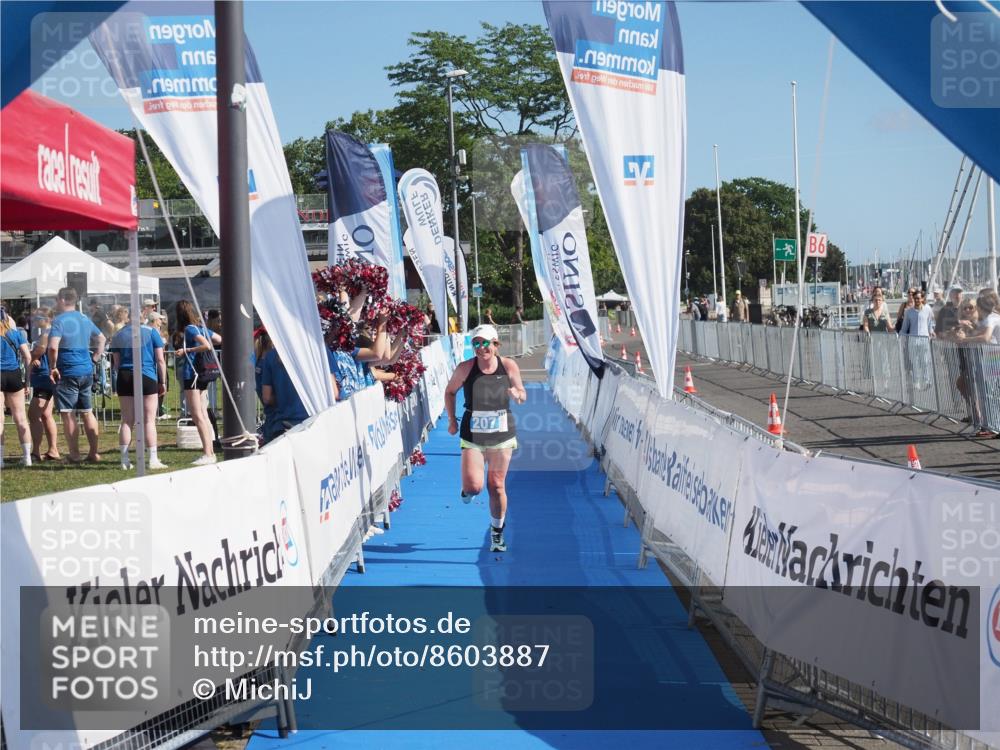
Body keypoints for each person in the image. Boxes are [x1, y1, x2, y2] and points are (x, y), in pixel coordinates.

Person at [444, 323, 527, 553]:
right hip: (473, 435)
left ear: (495, 345)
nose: (481, 348)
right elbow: (449, 392)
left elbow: (522, 394)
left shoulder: (508, 365)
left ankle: (497, 533)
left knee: (496, 485)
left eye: (485, 343)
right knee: (474, 487)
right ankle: (467, 491)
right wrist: (452, 420)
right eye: (476, 344)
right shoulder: (465, 368)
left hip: (501, 434)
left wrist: (516, 394)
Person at [47, 287, 105, 463]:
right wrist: (94, 359)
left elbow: (52, 347)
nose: (56, 303)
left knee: (68, 413)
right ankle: (94, 453)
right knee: (88, 412)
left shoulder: (59, 321)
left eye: (57, 299)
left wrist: (52, 367)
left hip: (67, 371)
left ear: (63, 300)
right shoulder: (84, 318)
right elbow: (101, 339)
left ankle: (74, 454)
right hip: (86, 370)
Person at [111, 311, 168, 470]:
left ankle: (124, 460)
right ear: (143, 319)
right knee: (149, 420)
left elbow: (116, 363)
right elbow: (161, 360)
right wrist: (162, 381)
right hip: (147, 375)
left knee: (127, 420)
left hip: (125, 375)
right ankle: (153, 459)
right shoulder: (152, 332)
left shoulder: (118, 334)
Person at [260, 341, 339, 443]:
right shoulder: (319, 349)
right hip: (316, 422)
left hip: (285, 426)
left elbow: (266, 397)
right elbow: (334, 393)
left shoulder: (271, 356)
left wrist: (282, 397)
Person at [174, 299, 222, 465]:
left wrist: (187, 350)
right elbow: (218, 339)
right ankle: (210, 450)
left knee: (197, 415)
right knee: (202, 412)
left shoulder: (189, 329)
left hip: (192, 374)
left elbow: (207, 345)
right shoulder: (201, 328)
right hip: (201, 374)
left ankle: (208, 453)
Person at [1, 307, 33, 467]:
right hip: (14, 375)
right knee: (21, 418)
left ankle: (0, 460)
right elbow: (27, 357)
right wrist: (27, 380)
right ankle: (27, 457)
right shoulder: (16, 334)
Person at [27, 307, 60, 463]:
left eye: (37, 317)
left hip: (44, 379)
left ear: (45, 318)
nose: (34, 321)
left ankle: (35, 452)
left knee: (33, 415)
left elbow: (39, 351)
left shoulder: (47, 333)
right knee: (46, 416)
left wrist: (32, 356)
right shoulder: (48, 332)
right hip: (45, 378)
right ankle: (53, 450)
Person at [901, 289, 935, 391]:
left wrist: (931, 331)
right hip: (913, 339)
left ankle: (927, 380)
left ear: (923, 299)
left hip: (924, 339)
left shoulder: (928, 309)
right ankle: (916, 382)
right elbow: (904, 327)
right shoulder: (908, 312)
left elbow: (930, 323)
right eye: (915, 298)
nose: (917, 300)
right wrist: (900, 337)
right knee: (915, 362)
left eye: (919, 298)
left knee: (925, 361)